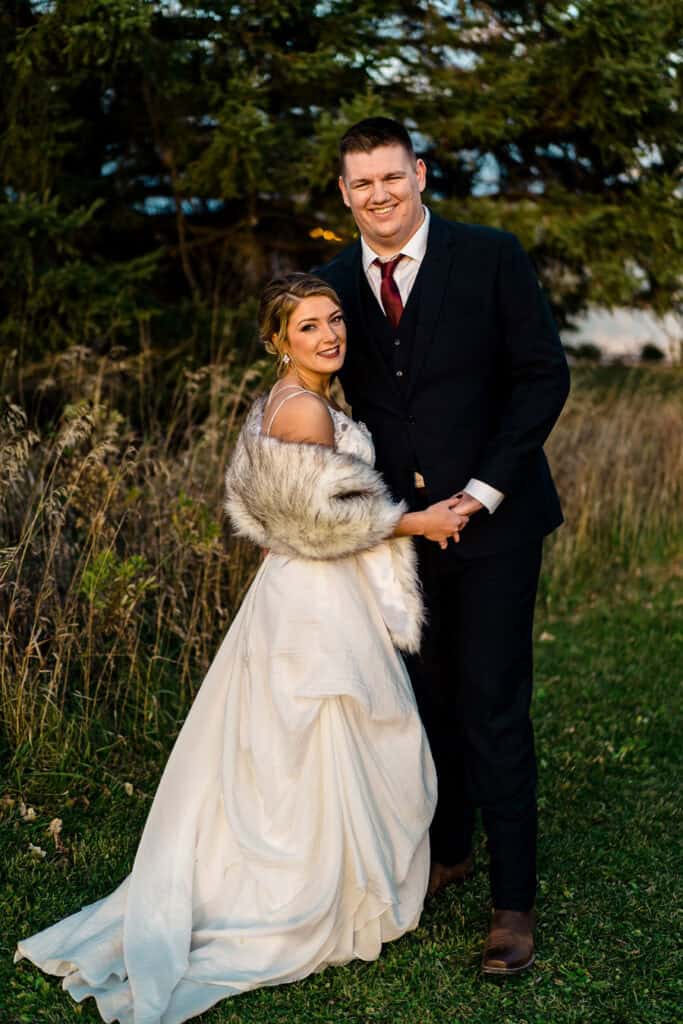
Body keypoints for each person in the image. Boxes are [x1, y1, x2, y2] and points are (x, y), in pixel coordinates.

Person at [14, 273, 470, 1024]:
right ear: (277, 341)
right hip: (317, 593)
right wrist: (417, 521)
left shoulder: (287, 402)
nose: (329, 336)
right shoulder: (305, 415)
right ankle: (311, 884)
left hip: (305, 587)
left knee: (306, 738)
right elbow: (327, 522)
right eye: (308, 328)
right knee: (322, 730)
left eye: (332, 322)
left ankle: (340, 863)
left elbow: (283, 514)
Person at [316, 117, 571, 975]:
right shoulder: (329, 284)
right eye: (361, 184)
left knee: (492, 702)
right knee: (422, 697)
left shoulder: (490, 255)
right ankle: (446, 849)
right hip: (398, 536)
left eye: (392, 177)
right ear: (343, 194)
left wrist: (483, 490)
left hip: (497, 523)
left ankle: (513, 905)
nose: (379, 196)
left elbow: (543, 375)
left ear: (419, 174)